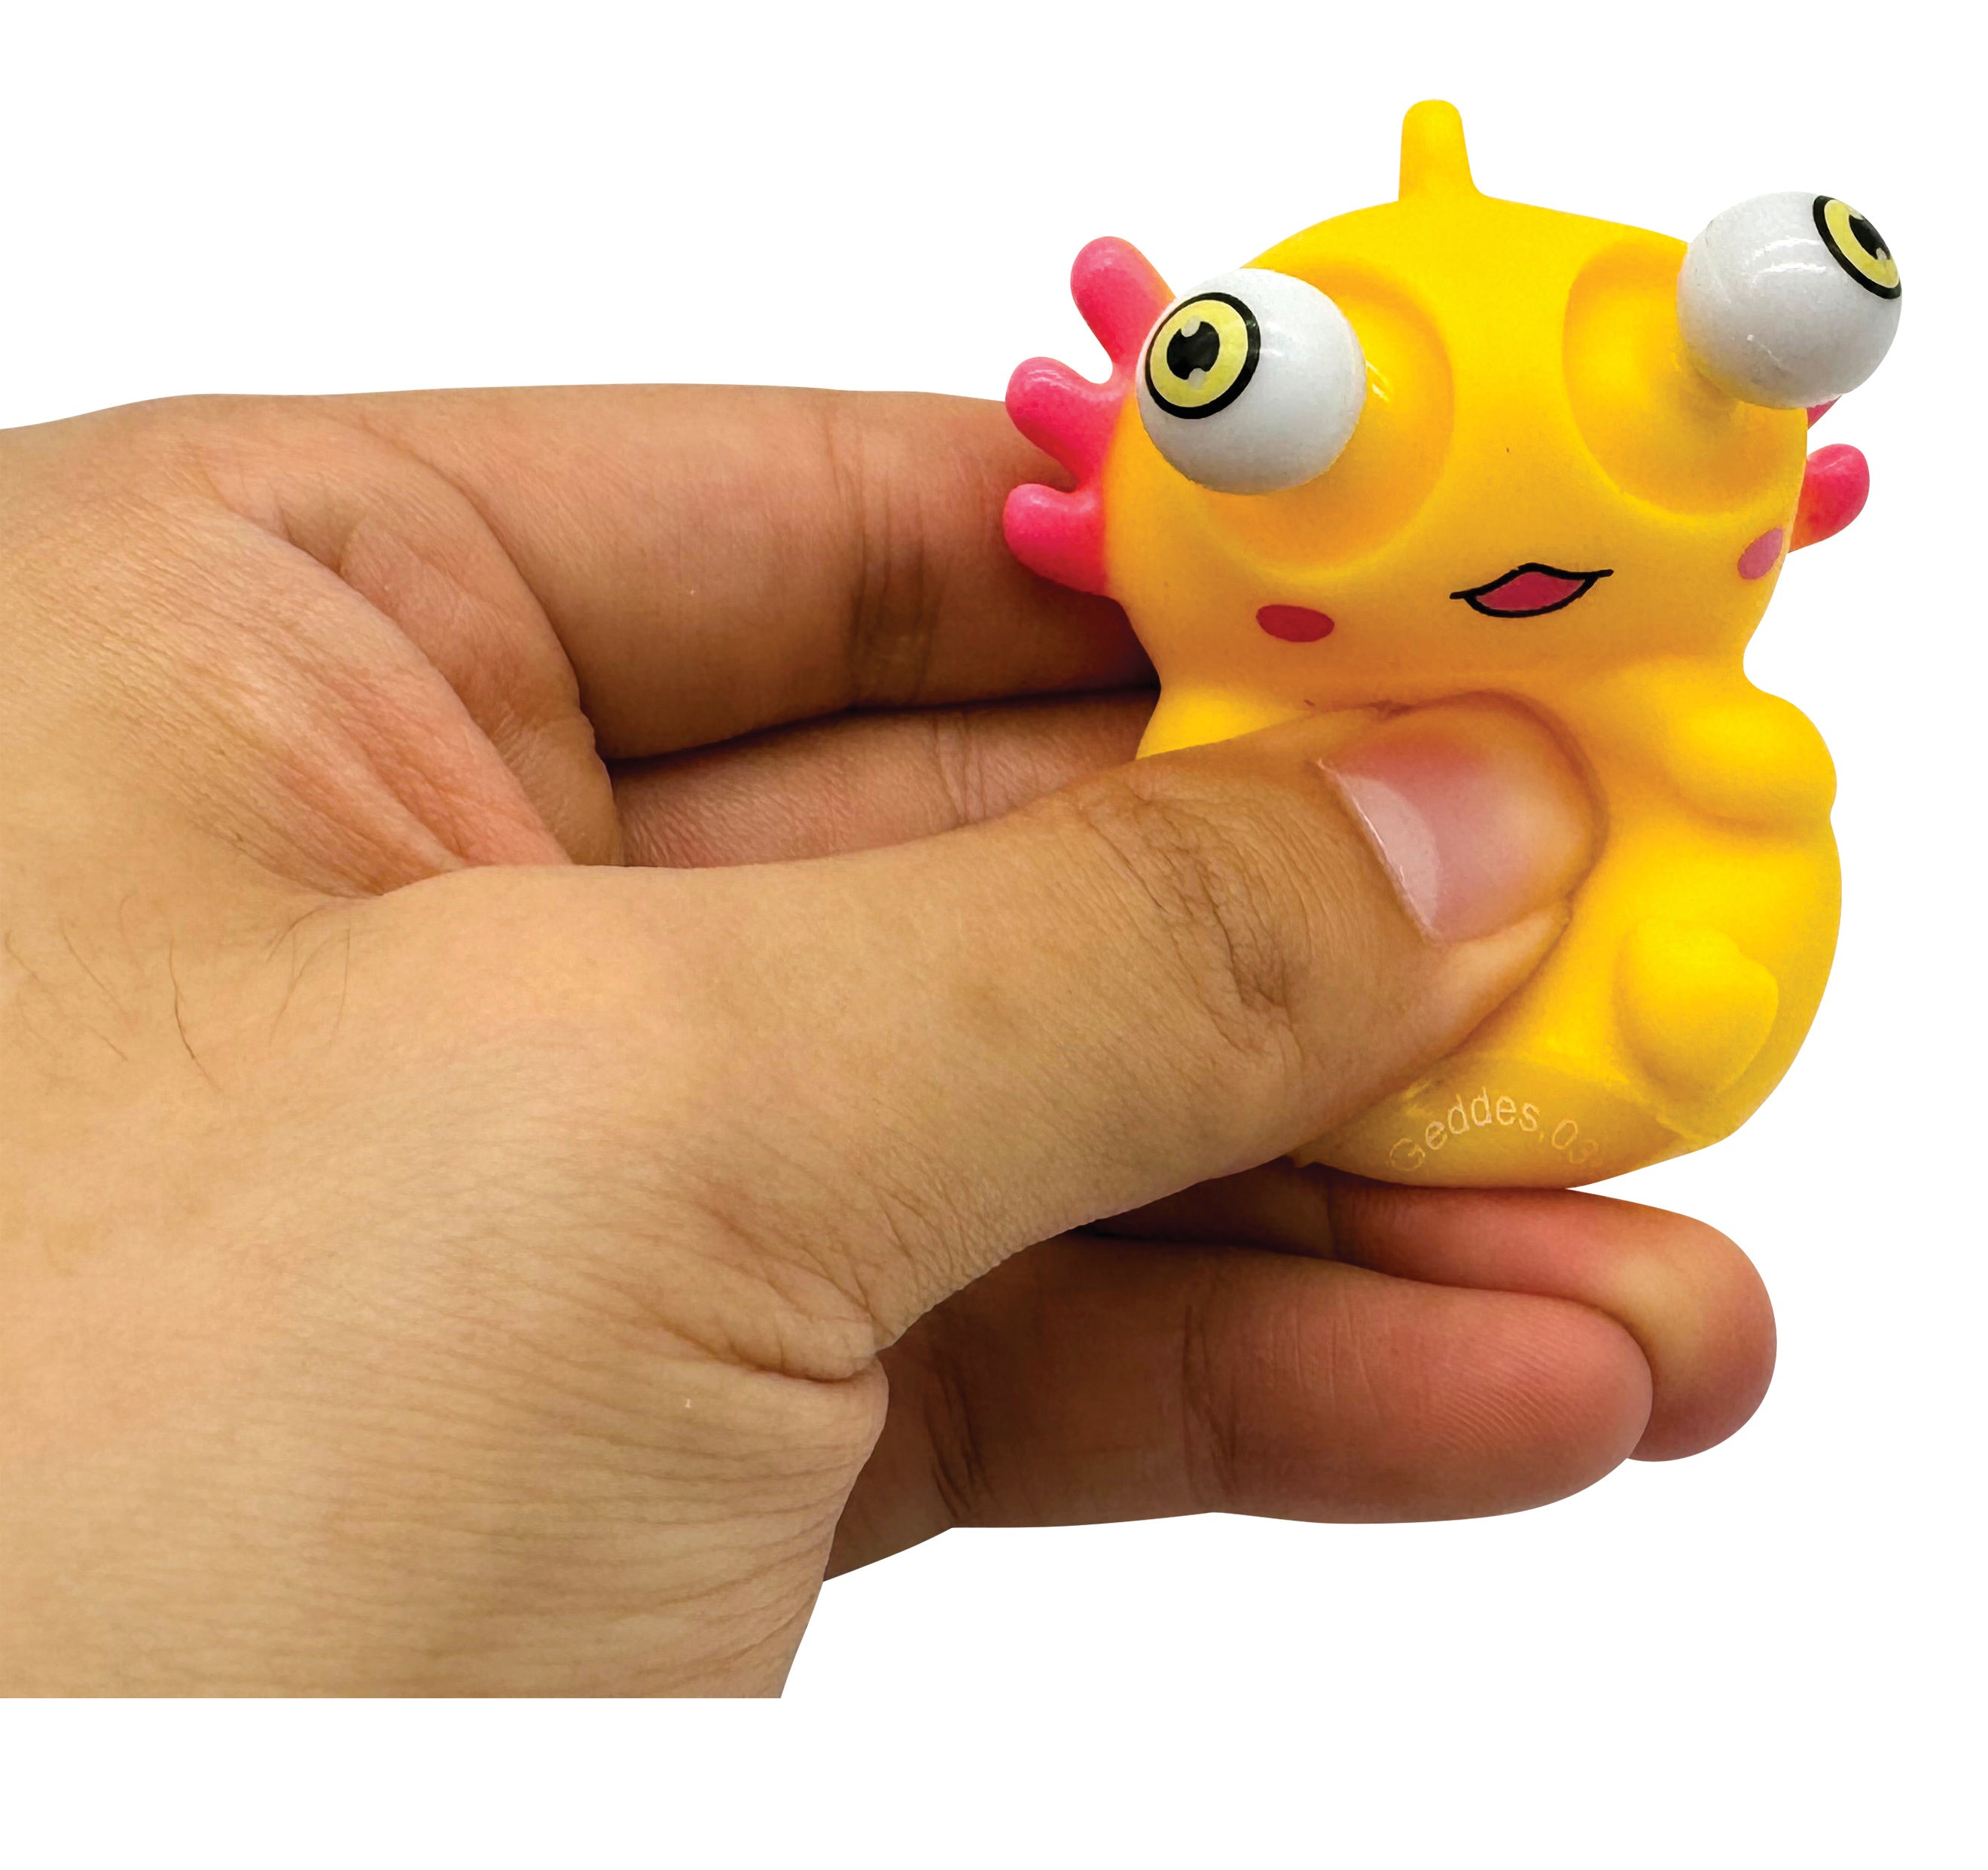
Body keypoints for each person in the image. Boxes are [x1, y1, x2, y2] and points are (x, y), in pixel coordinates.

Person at [0, 386, 1773, 1696]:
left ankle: (1678, 1014)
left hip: (1622, 994)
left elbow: (1761, 776)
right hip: (1384, 1082)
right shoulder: (1223, 727)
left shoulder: (1664, 691)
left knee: (1676, 1023)